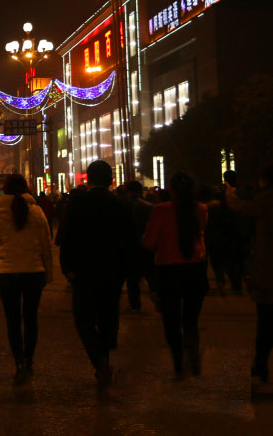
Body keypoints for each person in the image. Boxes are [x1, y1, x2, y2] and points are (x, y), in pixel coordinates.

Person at [59, 160, 136, 391]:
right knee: (108, 317)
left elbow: (66, 237)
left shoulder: (77, 203)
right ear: (111, 180)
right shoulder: (121, 205)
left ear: (89, 179)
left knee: (83, 319)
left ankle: (100, 362)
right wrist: (128, 270)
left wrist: (67, 267)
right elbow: (130, 240)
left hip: (84, 271)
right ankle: (104, 360)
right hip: (113, 271)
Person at [0, 174, 54, 386]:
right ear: (26, 189)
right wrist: (48, 273)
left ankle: (19, 362)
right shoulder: (37, 212)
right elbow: (46, 245)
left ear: (4, 190)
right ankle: (29, 360)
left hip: (8, 273)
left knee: (12, 320)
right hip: (34, 272)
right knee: (30, 319)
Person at [142, 171, 208, 380]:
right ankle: (192, 349)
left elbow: (149, 242)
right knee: (191, 318)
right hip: (195, 268)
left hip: (169, 270)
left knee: (171, 320)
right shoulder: (201, 209)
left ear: (171, 190)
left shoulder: (160, 210)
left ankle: (178, 363)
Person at [244, 165, 273, 388]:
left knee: (265, 323)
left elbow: (240, 208)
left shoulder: (264, 200)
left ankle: (261, 364)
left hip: (267, 272)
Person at [124, 181, 156, 312]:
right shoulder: (149, 207)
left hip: (130, 246)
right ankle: (157, 296)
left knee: (132, 279)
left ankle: (135, 304)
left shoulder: (125, 206)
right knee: (151, 275)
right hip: (147, 245)